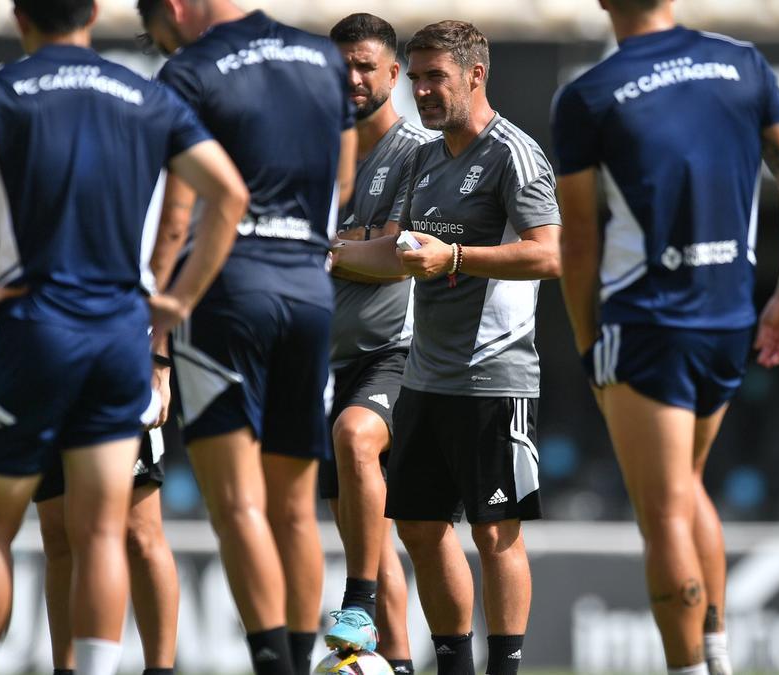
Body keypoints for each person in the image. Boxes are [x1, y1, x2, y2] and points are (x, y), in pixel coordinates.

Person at [0, 0, 247, 673]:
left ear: (18, 17)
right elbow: (229, 193)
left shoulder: (0, 87)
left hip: (31, 329)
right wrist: (176, 300)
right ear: (94, 13)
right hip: (119, 339)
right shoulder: (145, 94)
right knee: (102, 533)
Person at [550, 1, 779, 674]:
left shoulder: (588, 94)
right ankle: (717, 655)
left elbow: (578, 237)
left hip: (647, 323)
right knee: (688, 486)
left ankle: (687, 668)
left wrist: (588, 345)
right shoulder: (745, 64)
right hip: (729, 319)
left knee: (664, 509)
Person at [332, 20, 561, 675]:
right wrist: (327, 256)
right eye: (420, 77)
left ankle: (506, 667)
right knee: (420, 528)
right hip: (426, 377)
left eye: (437, 78)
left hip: (496, 374)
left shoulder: (513, 153)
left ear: (475, 75)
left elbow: (550, 252)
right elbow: (400, 252)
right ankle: (452, 664)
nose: (425, 92)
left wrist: (457, 255)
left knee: (494, 533)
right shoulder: (426, 157)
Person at [136, 1, 355, 673]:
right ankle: (298, 657)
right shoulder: (324, 57)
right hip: (310, 289)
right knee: (295, 508)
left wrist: (158, 329)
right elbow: (342, 180)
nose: (162, 42)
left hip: (228, 292)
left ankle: (271, 663)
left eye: (158, 32)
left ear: (174, 8)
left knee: (237, 504)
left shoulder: (191, 69)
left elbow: (177, 214)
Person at [321, 13, 428, 674]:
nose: (354, 78)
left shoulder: (418, 152)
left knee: (358, 438)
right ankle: (396, 661)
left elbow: (398, 257)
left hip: (395, 352)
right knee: (374, 543)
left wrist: (313, 248)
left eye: (367, 65)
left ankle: (354, 604)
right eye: (344, 66)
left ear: (395, 73)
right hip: (325, 361)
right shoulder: (316, 152)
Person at [34, 425, 179, 675]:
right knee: (58, 539)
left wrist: (162, 382)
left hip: (116, 392)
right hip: (47, 393)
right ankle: (66, 671)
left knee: (140, 534)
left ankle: (160, 671)